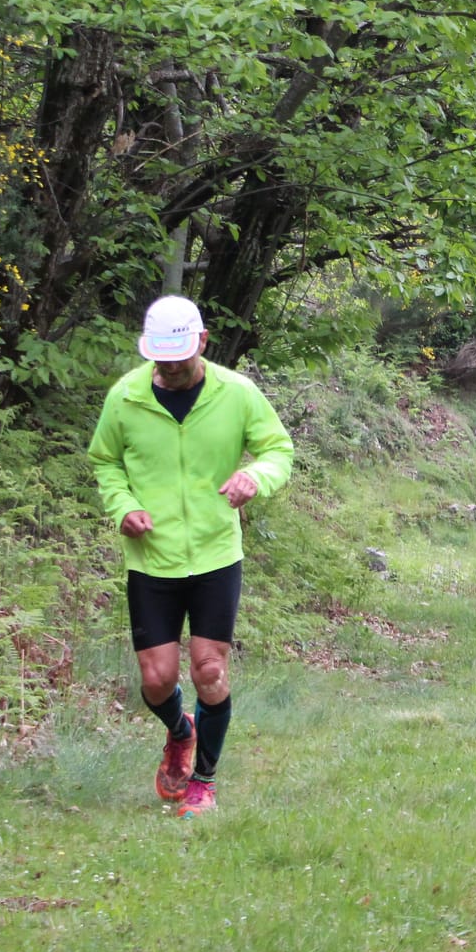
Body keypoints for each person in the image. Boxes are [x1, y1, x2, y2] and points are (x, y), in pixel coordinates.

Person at [87, 295, 294, 817]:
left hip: (215, 554)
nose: (171, 369)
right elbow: (105, 462)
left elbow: (278, 450)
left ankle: (204, 781)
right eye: (161, 360)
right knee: (156, 680)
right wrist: (124, 506)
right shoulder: (126, 398)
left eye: (180, 357)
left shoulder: (237, 393)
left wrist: (256, 477)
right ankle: (180, 731)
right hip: (150, 557)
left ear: (202, 342)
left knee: (208, 669)